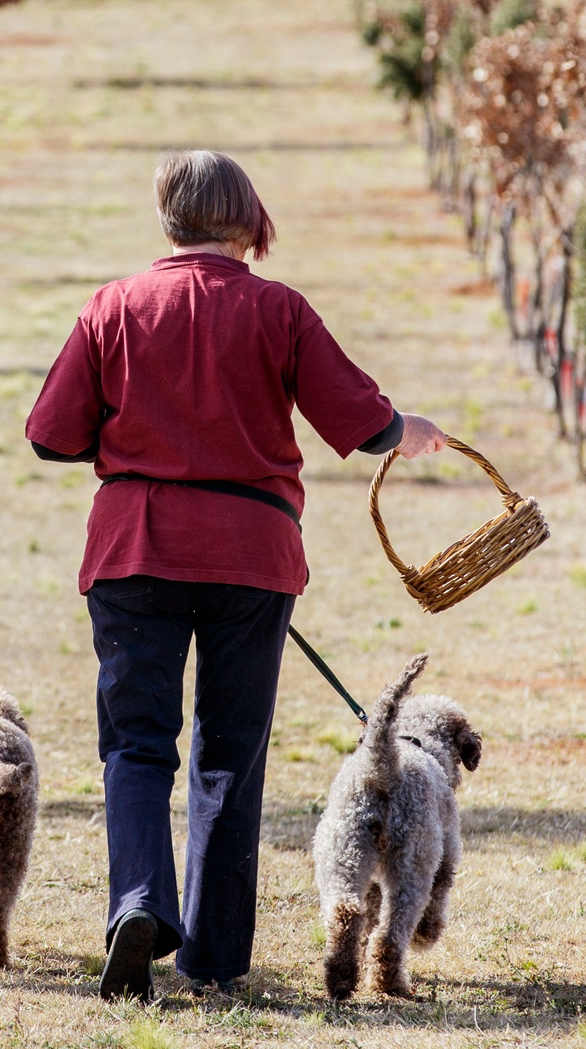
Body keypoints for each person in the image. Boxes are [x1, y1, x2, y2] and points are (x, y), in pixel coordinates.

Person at [24, 149, 446, 1000]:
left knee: (137, 745)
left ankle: (138, 903)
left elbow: (49, 433)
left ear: (168, 217)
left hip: (136, 546)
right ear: (245, 218)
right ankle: (213, 957)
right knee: (229, 752)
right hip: (250, 555)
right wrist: (412, 429)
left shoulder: (113, 306)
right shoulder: (278, 309)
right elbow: (361, 423)